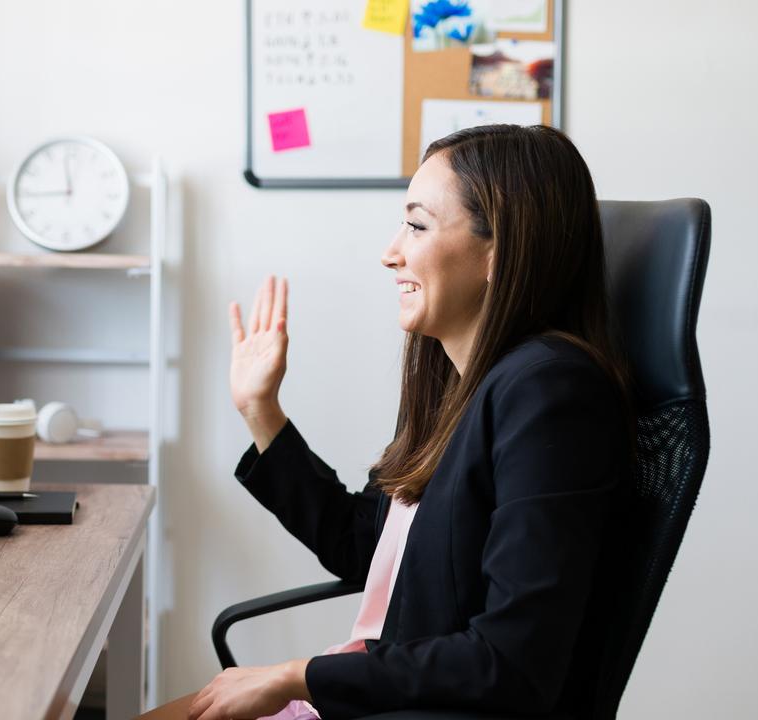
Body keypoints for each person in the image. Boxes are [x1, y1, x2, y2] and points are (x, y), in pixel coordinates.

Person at [180, 125, 634, 720]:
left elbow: (511, 663)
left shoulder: (550, 393)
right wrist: (261, 412)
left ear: (500, 251)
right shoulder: (456, 380)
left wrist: (297, 676)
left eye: (417, 225)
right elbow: (365, 548)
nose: (390, 251)